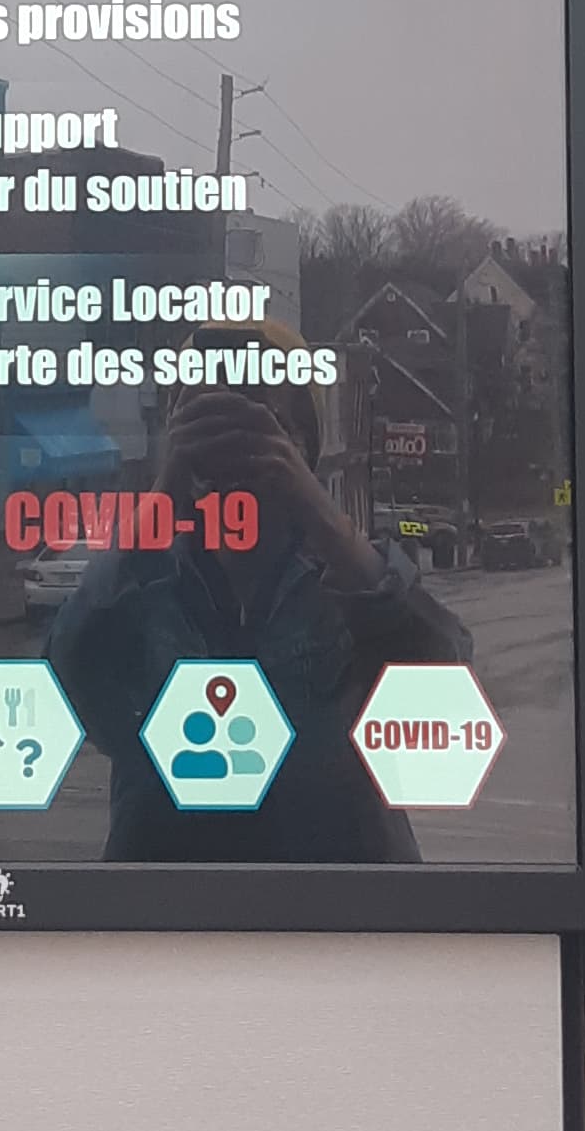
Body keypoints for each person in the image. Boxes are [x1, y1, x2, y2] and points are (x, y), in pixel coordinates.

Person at [50, 361, 466, 863]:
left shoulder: (353, 578)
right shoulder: (143, 588)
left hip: (343, 901)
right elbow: (68, 679)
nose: (234, 448)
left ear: (304, 449)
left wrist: (314, 506)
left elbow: (443, 683)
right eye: (204, 424)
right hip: (167, 900)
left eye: (263, 427)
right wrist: (166, 492)